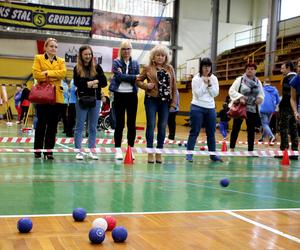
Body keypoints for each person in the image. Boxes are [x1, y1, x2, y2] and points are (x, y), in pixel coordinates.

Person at [137, 44, 177, 164]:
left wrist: (173, 104)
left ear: (166, 57)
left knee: (162, 126)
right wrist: (146, 86)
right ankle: (150, 152)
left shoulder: (170, 69)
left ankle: (159, 152)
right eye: (158, 55)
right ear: (153, 57)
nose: (160, 57)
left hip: (165, 102)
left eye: (163, 55)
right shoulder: (148, 68)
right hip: (151, 100)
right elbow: (138, 80)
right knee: (151, 124)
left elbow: (174, 87)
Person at [32, 37, 67, 159]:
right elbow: (36, 74)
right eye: (51, 46)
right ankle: (37, 150)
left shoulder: (61, 61)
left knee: (53, 126)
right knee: (41, 124)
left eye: (56, 47)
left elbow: (63, 74)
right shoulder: (39, 58)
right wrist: (54, 75)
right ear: (45, 47)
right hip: (43, 96)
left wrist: (46, 73)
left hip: (57, 97)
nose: (54, 49)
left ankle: (49, 151)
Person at [73, 45, 107, 160]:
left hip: (96, 100)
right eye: (85, 54)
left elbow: (104, 82)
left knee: (92, 127)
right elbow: (78, 83)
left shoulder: (97, 67)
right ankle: (78, 151)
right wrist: (92, 83)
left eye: (89, 54)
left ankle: (92, 150)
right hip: (81, 100)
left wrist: (92, 82)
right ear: (81, 56)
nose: (88, 56)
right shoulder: (77, 68)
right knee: (79, 126)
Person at [185, 58, 222, 162]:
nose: (207, 68)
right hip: (197, 107)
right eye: (205, 66)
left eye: (209, 66)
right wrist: (205, 83)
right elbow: (198, 94)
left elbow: (215, 94)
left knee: (211, 132)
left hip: (210, 108)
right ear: (201, 67)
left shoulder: (214, 78)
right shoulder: (196, 79)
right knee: (194, 131)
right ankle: (189, 154)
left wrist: (209, 84)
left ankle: (213, 155)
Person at [109, 40, 140, 160]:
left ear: (131, 50)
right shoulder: (116, 62)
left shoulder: (136, 63)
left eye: (128, 49)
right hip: (119, 95)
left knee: (131, 124)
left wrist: (125, 77)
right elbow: (119, 76)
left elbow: (138, 78)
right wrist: (132, 77)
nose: (126, 51)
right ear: (121, 51)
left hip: (132, 95)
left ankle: (130, 149)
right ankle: (117, 149)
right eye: (124, 49)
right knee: (119, 124)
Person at [228, 62, 264, 152]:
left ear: (255, 71)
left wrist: (260, 98)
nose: (250, 70)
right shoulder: (239, 80)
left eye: (252, 69)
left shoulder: (258, 82)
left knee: (251, 130)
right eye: (248, 68)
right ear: (245, 70)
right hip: (240, 107)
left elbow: (261, 94)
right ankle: (232, 147)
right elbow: (231, 91)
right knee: (236, 128)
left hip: (252, 108)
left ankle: (250, 150)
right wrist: (240, 97)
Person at [277, 61, 298, 159]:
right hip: (296, 108)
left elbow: (287, 95)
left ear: (288, 68)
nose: (281, 71)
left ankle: (284, 151)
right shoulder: (297, 77)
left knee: (284, 129)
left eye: (283, 68)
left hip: (286, 107)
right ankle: (295, 152)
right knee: (294, 129)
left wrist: (280, 106)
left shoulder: (287, 78)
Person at [258, 78, 280, 143]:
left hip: (263, 109)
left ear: (264, 83)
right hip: (271, 110)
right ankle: (262, 137)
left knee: (264, 124)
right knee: (266, 124)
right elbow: (278, 100)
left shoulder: (261, 89)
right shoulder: (275, 90)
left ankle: (271, 136)